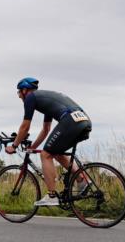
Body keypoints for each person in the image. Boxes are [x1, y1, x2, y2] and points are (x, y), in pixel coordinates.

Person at [5, 77, 92, 206]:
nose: (19, 96)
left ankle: (52, 195)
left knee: (45, 154)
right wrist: (33, 147)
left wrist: (14, 145)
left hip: (70, 121)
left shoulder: (30, 98)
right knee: (55, 152)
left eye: (19, 92)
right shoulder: (45, 99)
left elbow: (25, 126)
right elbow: (46, 129)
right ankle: (82, 180)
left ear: (24, 90)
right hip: (84, 121)